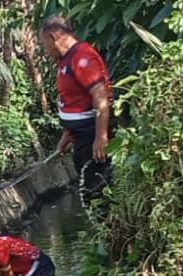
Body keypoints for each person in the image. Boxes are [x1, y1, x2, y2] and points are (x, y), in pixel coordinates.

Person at [41, 15, 113, 203]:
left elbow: (100, 94)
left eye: (45, 45)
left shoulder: (82, 56)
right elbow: (74, 101)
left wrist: (101, 136)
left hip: (92, 137)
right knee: (88, 189)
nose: (46, 51)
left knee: (97, 191)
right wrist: (67, 135)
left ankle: (107, 228)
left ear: (53, 37)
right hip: (80, 137)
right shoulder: (67, 60)